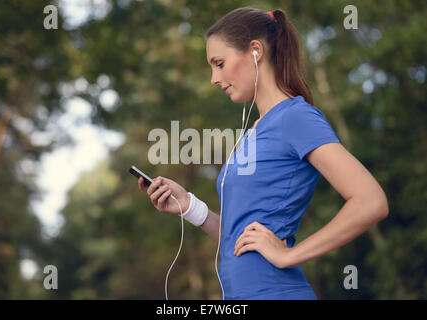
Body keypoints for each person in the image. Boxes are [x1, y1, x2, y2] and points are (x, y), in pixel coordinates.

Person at [138, 7, 389, 300]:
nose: (213, 78)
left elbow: (371, 201)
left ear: (255, 51)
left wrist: (290, 255)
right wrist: (190, 206)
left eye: (219, 63)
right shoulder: (253, 131)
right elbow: (241, 240)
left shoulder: (296, 117)